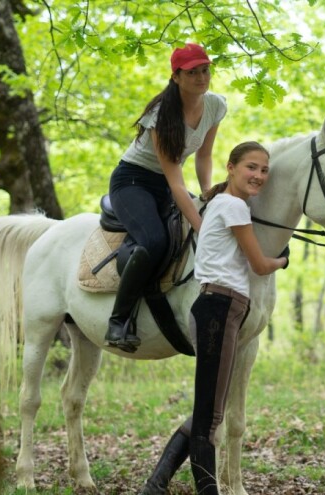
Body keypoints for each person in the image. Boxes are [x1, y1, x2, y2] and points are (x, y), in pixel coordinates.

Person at [140, 142, 289, 495]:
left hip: (218, 308)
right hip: (219, 309)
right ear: (231, 167)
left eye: (265, 170)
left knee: (208, 410)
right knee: (210, 418)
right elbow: (260, 264)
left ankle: (155, 485)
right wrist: (283, 259)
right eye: (252, 167)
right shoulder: (234, 206)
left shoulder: (222, 204)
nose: (259, 175)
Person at [105, 42, 226, 353]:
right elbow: (175, 183)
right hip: (133, 181)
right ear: (176, 77)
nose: (202, 77)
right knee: (155, 241)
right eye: (193, 72)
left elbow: (204, 157)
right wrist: (202, 227)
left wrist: (206, 192)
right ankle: (118, 320)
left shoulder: (215, 105)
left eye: (205, 70)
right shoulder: (161, 116)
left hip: (166, 184)